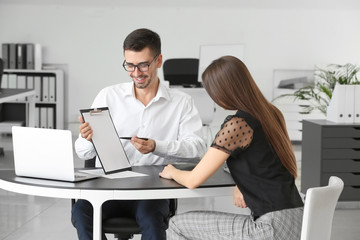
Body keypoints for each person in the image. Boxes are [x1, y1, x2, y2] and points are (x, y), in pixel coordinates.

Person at [71, 28, 206, 240]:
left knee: (151, 217)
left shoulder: (181, 102)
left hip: (151, 192)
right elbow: (83, 154)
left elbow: (197, 148)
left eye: (143, 64)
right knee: (81, 212)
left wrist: (156, 146)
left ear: (159, 60)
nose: (136, 73)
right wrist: (87, 138)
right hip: (108, 189)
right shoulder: (108, 95)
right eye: (130, 65)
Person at [159, 56, 304, 240]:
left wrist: (172, 171)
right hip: (297, 220)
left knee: (176, 225)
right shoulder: (272, 113)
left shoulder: (237, 124)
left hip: (270, 228)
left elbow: (193, 180)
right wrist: (241, 184)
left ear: (224, 91)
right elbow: (264, 161)